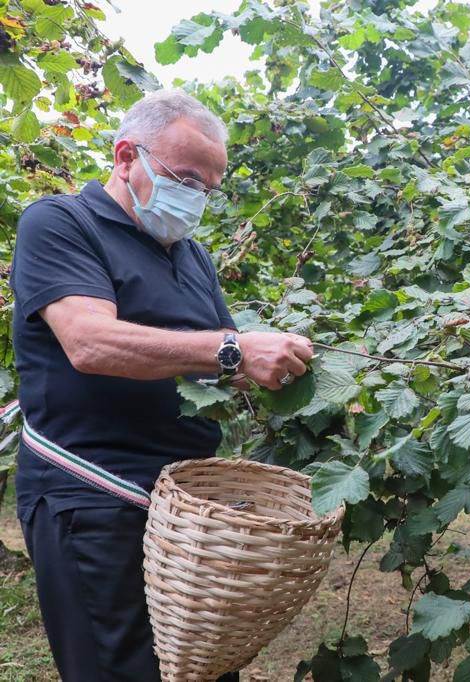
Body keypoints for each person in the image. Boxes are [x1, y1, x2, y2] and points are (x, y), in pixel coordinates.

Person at [11, 90, 314, 681]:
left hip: (186, 514)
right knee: (119, 668)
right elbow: (90, 342)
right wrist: (233, 349)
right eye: (185, 178)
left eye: (209, 187)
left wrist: (280, 368)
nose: (197, 197)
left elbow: (214, 366)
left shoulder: (189, 254)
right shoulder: (59, 223)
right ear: (126, 156)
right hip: (93, 499)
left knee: (195, 668)